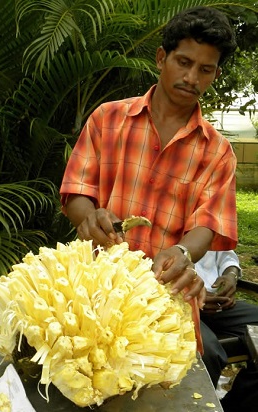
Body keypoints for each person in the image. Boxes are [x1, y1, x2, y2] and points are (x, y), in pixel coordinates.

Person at [60, 7, 238, 350]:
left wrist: (183, 250)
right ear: (161, 58)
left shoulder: (217, 152)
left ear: (215, 74)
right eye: (183, 63)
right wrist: (90, 216)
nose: (191, 78)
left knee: (188, 370)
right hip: (94, 288)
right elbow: (77, 193)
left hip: (166, 293)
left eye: (205, 70)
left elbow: (208, 225)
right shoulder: (107, 119)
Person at [196, 250, 258, 412]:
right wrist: (189, 296)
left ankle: (233, 407)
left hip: (217, 300)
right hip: (173, 302)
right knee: (205, 351)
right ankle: (199, 408)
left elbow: (226, 255)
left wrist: (231, 275)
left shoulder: (212, 225)